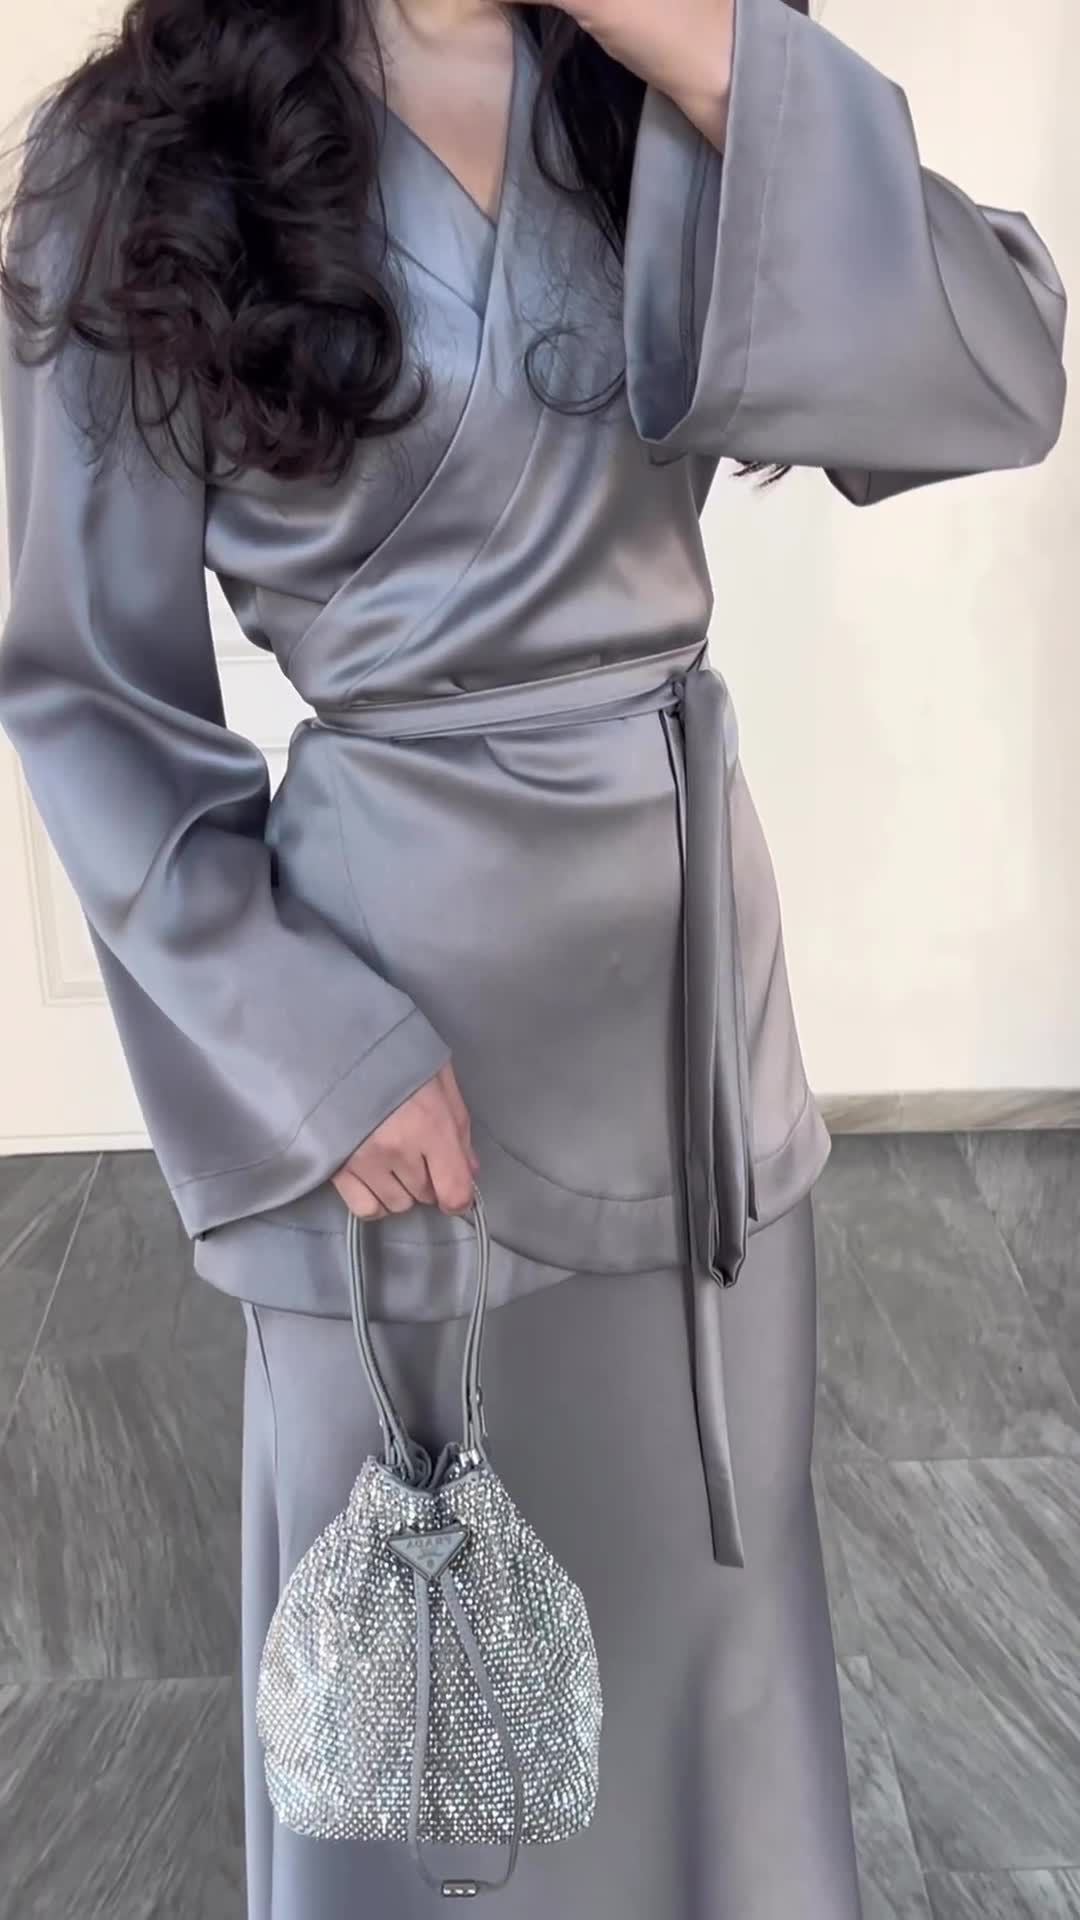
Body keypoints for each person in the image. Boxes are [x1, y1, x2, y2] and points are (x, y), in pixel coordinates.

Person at [0, 0, 1066, 1914]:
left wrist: (712, 55)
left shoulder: (659, 82)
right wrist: (313, 1055)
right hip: (395, 1073)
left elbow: (1002, 377)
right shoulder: (139, 157)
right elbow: (88, 692)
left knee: (709, 1653)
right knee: (422, 1713)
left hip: (691, 1052)